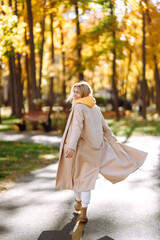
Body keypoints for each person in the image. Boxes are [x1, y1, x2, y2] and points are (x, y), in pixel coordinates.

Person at [56, 81, 148, 223]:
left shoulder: (79, 107)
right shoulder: (95, 107)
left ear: (84, 93)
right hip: (95, 150)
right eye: (73, 92)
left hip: (81, 149)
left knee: (77, 177)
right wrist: (112, 137)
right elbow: (104, 125)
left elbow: (76, 129)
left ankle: (79, 202)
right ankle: (83, 211)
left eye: (77, 92)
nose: (74, 95)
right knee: (87, 179)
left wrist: (71, 147)